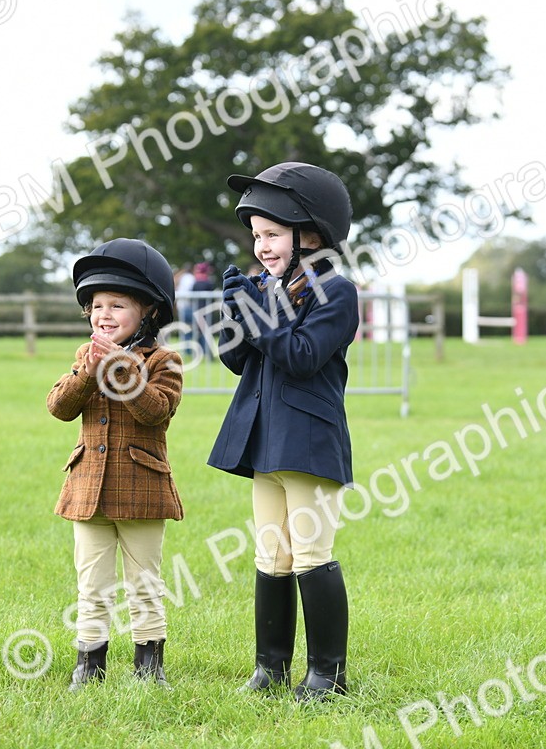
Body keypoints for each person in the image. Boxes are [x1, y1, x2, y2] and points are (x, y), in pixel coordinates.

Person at [207, 161, 358, 701]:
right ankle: (270, 669)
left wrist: (259, 313)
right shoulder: (268, 288)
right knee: (272, 556)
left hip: (310, 444)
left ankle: (327, 675)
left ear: (309, 235)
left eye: (271, 234)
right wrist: (235, 318)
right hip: (264, 440)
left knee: (312, 554)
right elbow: (238, 362)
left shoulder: (335, 292)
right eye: (256, 236)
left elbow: (299, 355)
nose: (261, 246)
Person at [47, 238, 184, 690]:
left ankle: (149, 665)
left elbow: (155, 410)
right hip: (88, 489)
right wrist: (88, 371)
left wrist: (120, 368)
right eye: (97, 305)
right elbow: (60, 407)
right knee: (92, 582)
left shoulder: (163, 361)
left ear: (148, 311)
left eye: (117, 305)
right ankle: (89, 663)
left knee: (144, 582)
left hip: (142, 489)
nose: (104, 315)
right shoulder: (84, 359)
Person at [190, 262, 215, 358]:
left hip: (196, 310)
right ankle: (209, 354)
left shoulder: (195, 283)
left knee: (197, 334)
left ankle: (197, 354)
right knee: (207, 333)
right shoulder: (208, 283)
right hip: (207, 311)